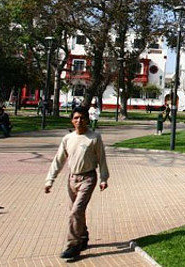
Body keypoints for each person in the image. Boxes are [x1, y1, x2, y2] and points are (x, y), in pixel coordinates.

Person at [44, 106, 109, 259]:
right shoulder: (68, 139)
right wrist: (49, 180)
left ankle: (73, 245)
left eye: (82, 118)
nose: (79, 121)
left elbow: (102, 159)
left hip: (88, 178)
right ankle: (83, 235)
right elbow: (58, 160)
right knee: (77, 211)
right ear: (72, 120)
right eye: (76, 118)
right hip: (72, 179)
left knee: (76, 211)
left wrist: (104, 178)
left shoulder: (94, 137)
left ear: (87, 119)